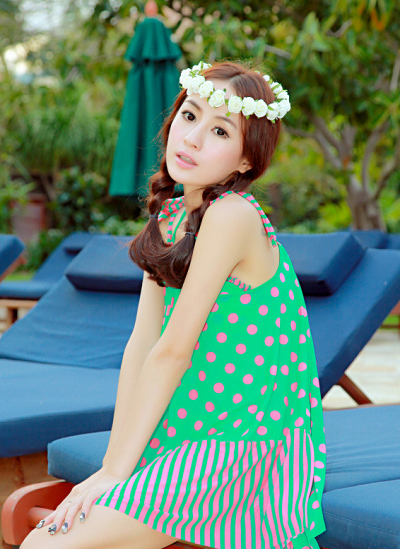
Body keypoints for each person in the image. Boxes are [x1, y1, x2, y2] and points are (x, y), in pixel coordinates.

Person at [21, 59, 326, 549]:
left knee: (46, 544)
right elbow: (143, 341)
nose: (193, 138)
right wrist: (114, 464)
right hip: (182, 431)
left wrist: (113, 473)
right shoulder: (172, 214)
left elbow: (173, 350)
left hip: (243, 444)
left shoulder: (233, 216)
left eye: (220, 130)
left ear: (245, 161)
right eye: (190, 115)